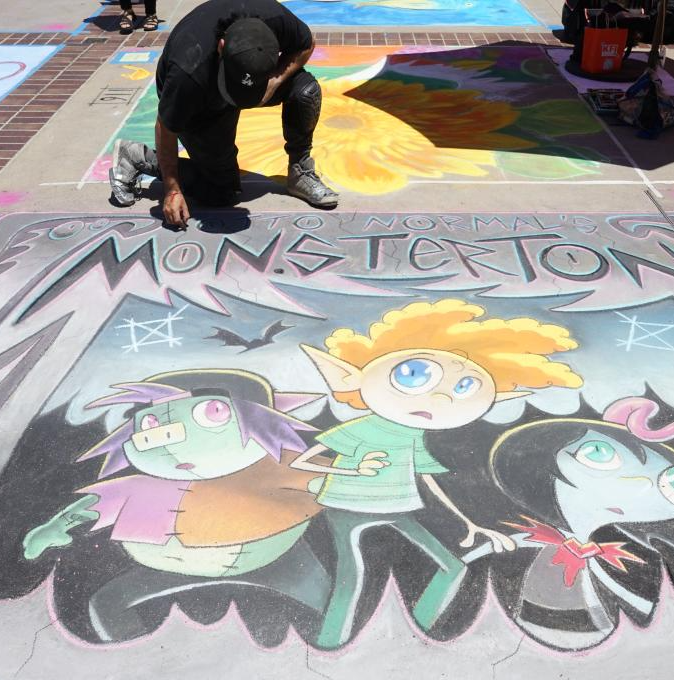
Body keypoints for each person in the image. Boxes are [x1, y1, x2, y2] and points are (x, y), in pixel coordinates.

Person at [290, 298, 584, 648]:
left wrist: (469, 523)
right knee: (351, 579)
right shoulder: (364, 427)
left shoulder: (413, 434)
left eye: (465, 388)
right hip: (347, 508)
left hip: (398, 508)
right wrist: (353, 468)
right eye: (413, 375)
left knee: (452, 567)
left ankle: (418, 630)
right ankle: (330, 641)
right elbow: (303, 461)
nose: (440, 400)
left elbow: (427, 477)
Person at [109, 0, 338, 226]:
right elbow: (166, 126)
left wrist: (273, 81)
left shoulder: (275, 18)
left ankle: (300, 171)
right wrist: (172, 189)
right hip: (203, 99)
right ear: (221, 47)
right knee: (220, 192)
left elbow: (306, 43)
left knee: (305, 92)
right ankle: (137, 156)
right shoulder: (188, 72)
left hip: (253, 79)